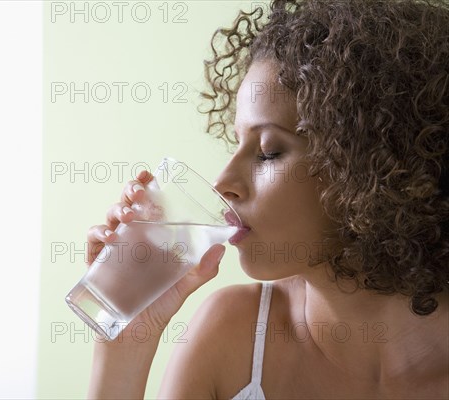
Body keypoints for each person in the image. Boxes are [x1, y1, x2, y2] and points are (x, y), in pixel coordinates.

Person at [84, 0, 449, 398]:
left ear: (374, 162)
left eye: (269, 151)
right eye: (237, 142)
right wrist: (124, 344)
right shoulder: (230, 335)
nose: (222, 182)